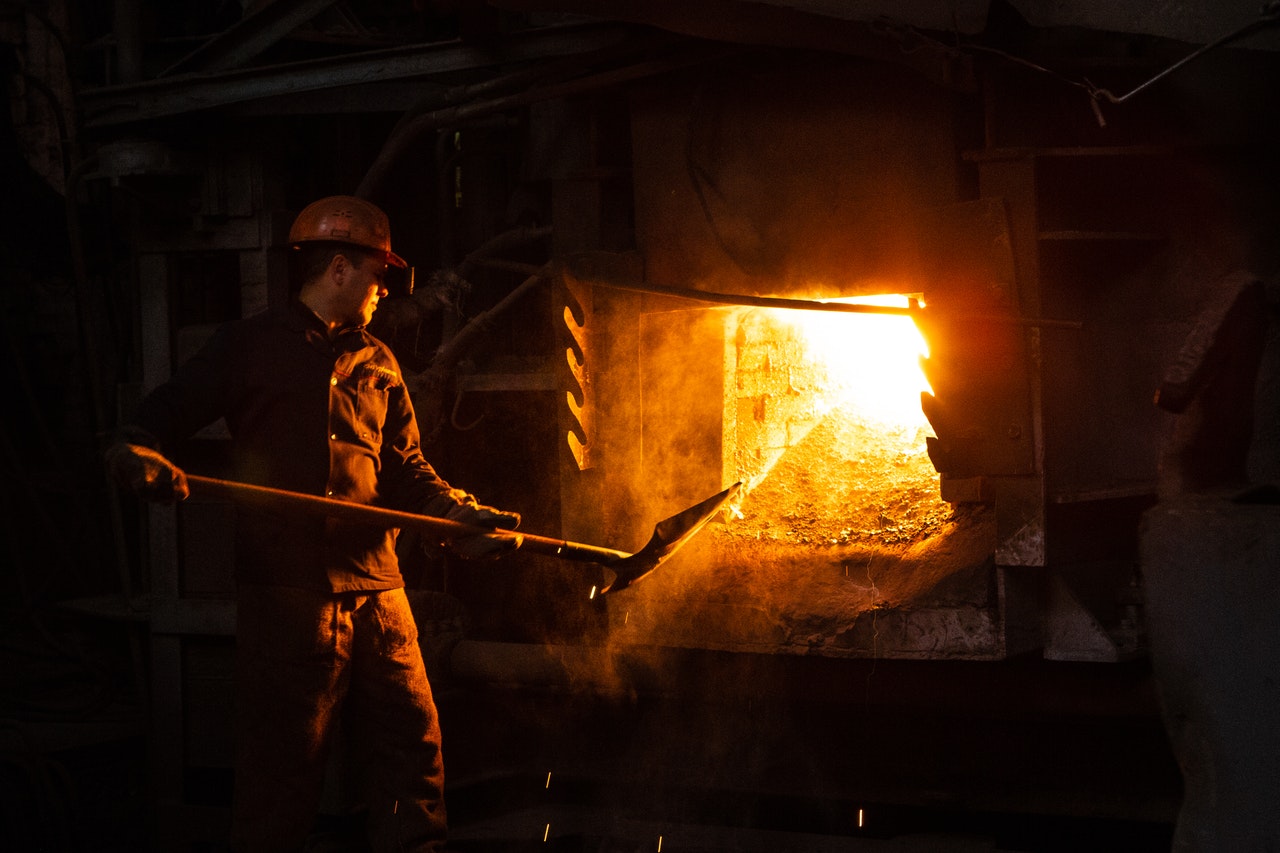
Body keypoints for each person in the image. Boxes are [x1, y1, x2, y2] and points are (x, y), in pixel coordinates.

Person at [105, 195, 521, 852]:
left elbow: (407, 468)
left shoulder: (380, 364)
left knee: (412, 756)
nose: (384, 291)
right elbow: (159, 416)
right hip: (289, 595)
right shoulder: (248, 349)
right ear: (339, 270)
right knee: (282, 774)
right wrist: (137, 454)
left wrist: (458, 514)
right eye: (377, 275)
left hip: (381, 593)